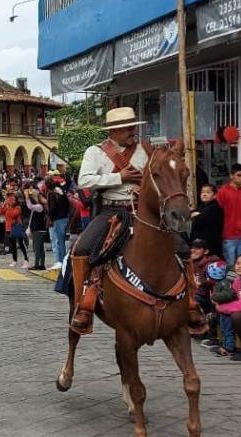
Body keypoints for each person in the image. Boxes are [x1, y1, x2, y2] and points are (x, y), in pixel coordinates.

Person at [69, 107, 149, 334]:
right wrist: (119, 177)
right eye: (128, 127)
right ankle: (83, 305)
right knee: (82, 248)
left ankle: (189, 301)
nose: (133, 131)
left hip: (141, 210)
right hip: (111, 211)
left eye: (134, 126)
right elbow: (84, 180)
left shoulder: (144, 150)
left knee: (180, 244)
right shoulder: (95, 152)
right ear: (114, 130)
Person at [215, 254, 241, 361]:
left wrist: (220, 307)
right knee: (230, 312)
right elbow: (232, 297)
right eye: (238, 264)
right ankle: (227, 345)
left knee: (237, 316)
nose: (239, 266)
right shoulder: (238, 280)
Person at [216, 164, 241, 267]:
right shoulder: (222, 192)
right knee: (230, 266)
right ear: (231, 176)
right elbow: (216, 212)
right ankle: (232, 283)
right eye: (239, 175)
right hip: (228, 237)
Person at [206, 260, 235, 357]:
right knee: (224, 329)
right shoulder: (223, 283)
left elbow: (228, 295)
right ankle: (225, 345)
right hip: (222, 310)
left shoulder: (223, 284)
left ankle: (229, 348)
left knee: (227, 329)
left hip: (227, 310)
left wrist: (214, 297)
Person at [190, 184, 224, 261]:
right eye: (202, 192)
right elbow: (191, 213)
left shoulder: (215, 207)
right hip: (201, 244)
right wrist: (196, 214)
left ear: (215, 195)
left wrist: (197, 215)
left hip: (210, 245)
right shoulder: (203, 206)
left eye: (208, 192)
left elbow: (198, 220)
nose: (204, 194)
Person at [46, 176, 70, 270]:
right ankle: (63, 261)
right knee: (62, 241)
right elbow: (68, 204)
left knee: (59, 242)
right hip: (65, 217)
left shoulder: (51, 194)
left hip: (57, 219)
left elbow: (52, 208)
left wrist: (50, 216)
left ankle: (61, 261)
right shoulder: (61, 192)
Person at [3, 194, 28, 269]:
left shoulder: (18, 207)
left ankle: (26, 260)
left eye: (13, 200)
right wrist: (4, 204)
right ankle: (14, 260)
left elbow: (14, 214)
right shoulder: (7, 206)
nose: (11, 201)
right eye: (10, 200)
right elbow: (1, 212)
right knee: (12, 245)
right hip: (8, 227)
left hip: (16, 227)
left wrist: (9, 207)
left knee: (21, 244)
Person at [26, 191, 49, 270]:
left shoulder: (39, 206)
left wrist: (27, 197)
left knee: (37, 248)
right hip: (41, 229)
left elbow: (30, 206)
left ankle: (37, 264)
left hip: (38, 230)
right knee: (41, 248)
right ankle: (41, 264)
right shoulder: (42, 206)